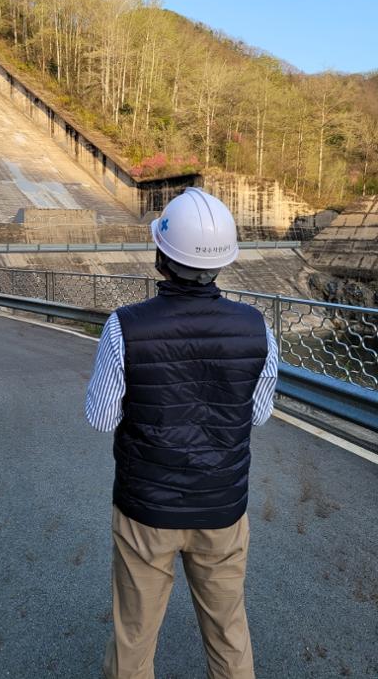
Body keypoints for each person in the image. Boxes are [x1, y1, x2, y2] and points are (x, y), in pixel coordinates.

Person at [86, 188, 278, 679]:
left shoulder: (124, 327)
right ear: (223, 263)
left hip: (146, 510)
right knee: (228, 632)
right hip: (222, 510)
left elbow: (102, 417)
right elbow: (257, 414)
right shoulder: (257, 328)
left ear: (161, 255)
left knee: (134, 637)